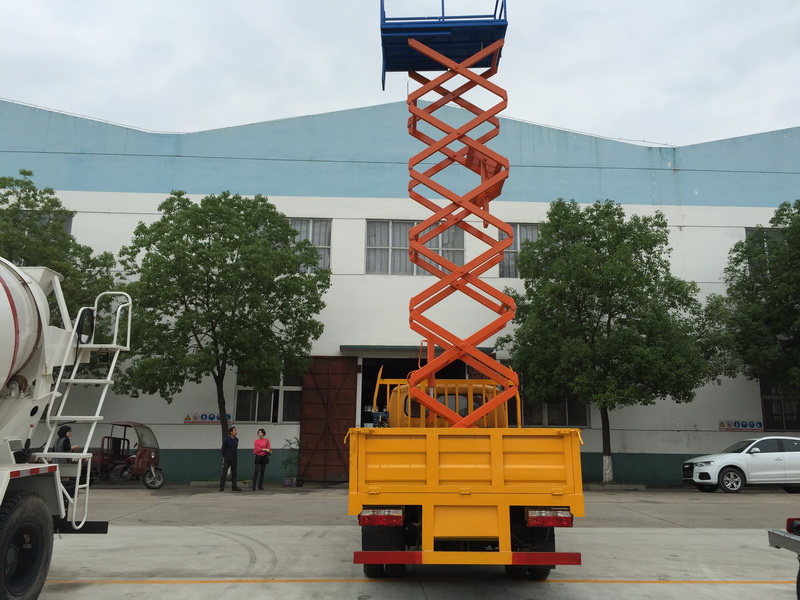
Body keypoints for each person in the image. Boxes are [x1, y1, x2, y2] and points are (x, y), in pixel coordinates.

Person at [219, 426, 242, 492]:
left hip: (234, 458)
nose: (236, 432)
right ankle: (221, 486)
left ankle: (234, 486)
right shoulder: (226, 440)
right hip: (228, 459)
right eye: (234, 430)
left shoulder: (236, 439)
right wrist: (226, 456)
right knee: (224, 473)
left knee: (234, 473)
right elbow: (223, 449)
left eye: (236, 430)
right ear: (231, 432)